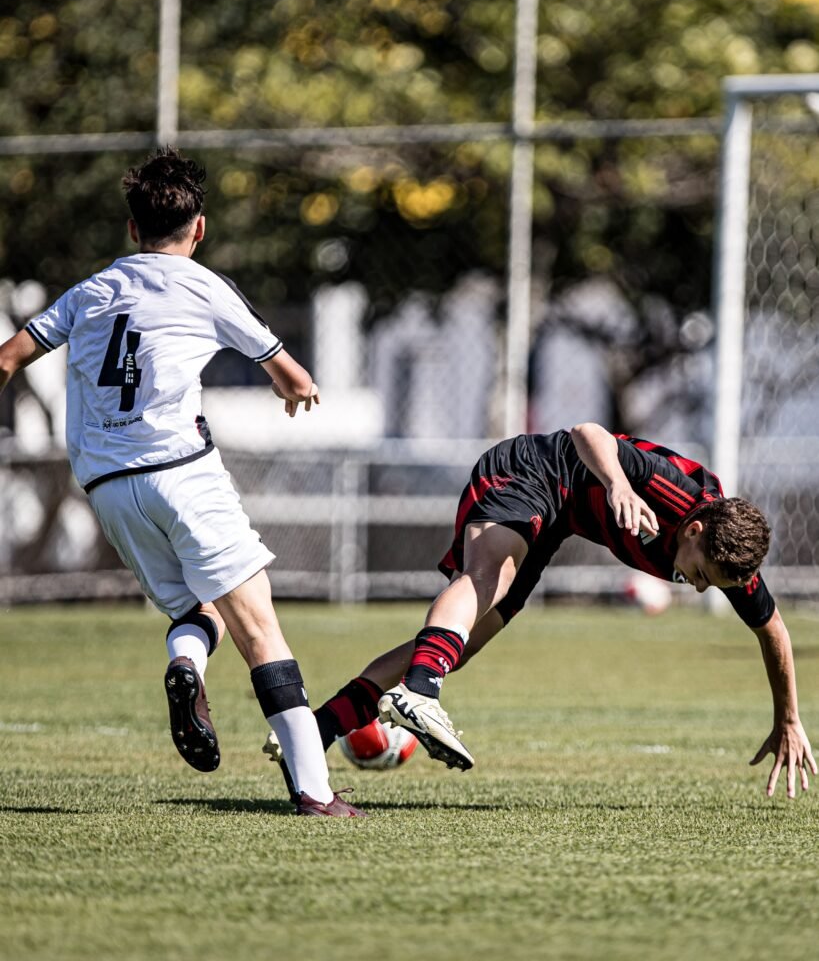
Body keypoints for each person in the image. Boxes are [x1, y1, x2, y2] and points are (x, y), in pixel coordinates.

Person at [0, 147, 364, 818]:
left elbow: (7, 358)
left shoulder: (90, 291)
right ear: (199, 228)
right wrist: (295, 389)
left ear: (131, 228)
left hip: (108, 486)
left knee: (199, 613)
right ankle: (315, 793)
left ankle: (187, 665)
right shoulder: (205, 287)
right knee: (260, 628)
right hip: (181, 473)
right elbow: (293, 375)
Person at [276, 424, 815, 801]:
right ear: (693, 531)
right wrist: (619, 484)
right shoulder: (673, 491)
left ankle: (314, 731)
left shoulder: (729, 556)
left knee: (466, 642)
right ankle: (420, 692)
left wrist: (788, 718)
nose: (698, 587)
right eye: (700, 574)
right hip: (532, 469)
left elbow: (773, 630)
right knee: (487, 577)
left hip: (557, 519)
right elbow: (587, 433)